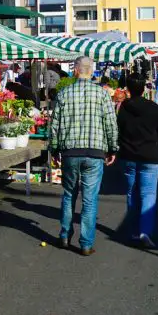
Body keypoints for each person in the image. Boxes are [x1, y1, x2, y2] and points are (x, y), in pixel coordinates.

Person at [49, 56, 118, 256]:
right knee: (90, 199)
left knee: (69, 194)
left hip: (70, 151)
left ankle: (64, 235)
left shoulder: (64, 94)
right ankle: (86, 243)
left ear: (76, 70)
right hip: (95, 152)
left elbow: (55, 126)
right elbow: (110, 124)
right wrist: (112, 148)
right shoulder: (102, 94)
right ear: (92, 71)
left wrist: (54, 150)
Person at [117, 76, 158, 248]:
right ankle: (145, 232)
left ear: (128, 89)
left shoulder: (123, 107)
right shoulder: (153, 108)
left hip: (128, 155)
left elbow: (118, 130)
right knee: (148, 194)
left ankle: (134, 231)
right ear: (144, 89)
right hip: (150, 156)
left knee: (131, 193)